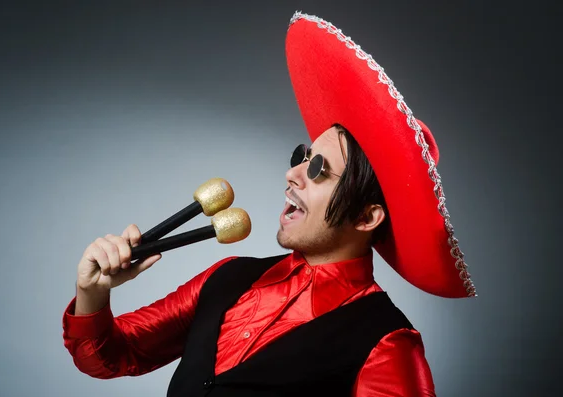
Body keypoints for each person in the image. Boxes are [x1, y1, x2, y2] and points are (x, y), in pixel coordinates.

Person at [62, 11, 476, 396]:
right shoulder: (227, 278)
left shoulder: (386, 344)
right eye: (301, 156)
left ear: (367, 216)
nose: (292, 173)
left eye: (318, 170)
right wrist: (92, 292)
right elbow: (110, 357)